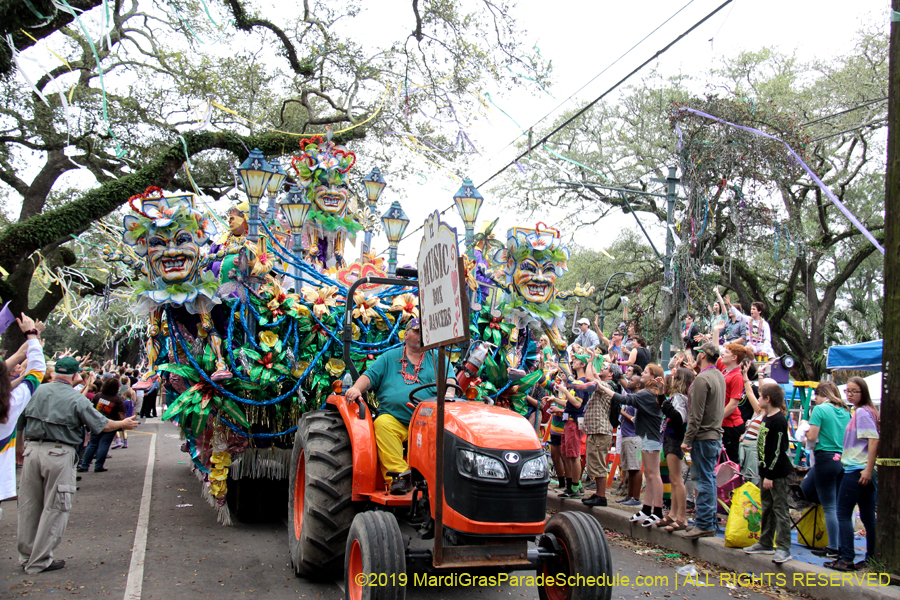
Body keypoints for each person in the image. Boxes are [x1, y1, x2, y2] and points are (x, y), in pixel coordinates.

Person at [18, 356, 137, 574]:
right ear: (75, 376)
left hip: (32, 450)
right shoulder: (76, 398)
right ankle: (39, 560)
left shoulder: (38, 391)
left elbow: (20, 420)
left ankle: (26, 555)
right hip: (59, 453)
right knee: (55, 507)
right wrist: (124, 423)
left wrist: (19, 449)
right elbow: (101, 424)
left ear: (54, 374)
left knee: (29, 505)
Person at [344, 318, 454, 495]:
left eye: (424, 332)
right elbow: (369, 376)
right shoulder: (389, 358)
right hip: (395, 419)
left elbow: (450, 380)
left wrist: (449, 394)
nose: (420, 335)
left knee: (446, 430)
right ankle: (401, 477)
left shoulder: (438, 359)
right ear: (405, 334)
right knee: (382, 424)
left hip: (426, 421)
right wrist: (356, 388)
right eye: (416, 331)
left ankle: (435, 482)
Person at [597, 363, 665, 527]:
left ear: (653, 377)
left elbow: (623, 398)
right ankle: (647, 507)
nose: (643, 374)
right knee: (649, 474)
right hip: (647, 435)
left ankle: (658, 510)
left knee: (653, 474)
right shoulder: (650, 393)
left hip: (651, 436)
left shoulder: (648, 394)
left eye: (647, 372)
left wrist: (603, 387)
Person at [825, 377, 879, 572]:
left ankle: (847, 557)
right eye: (847, 391)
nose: (849, 394)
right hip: (862, 468)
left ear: (863, 392)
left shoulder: (863, 413)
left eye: (854, 391)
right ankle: (871, 556)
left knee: (843, 513)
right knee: (866, 516)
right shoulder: (862, 412)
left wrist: (867, 468)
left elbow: (873, 440)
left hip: (857, 468)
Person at [0, 315, 46, 522]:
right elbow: (36, 372)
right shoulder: (10, 406)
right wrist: (32, 337)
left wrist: (32, 337)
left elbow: (15, 358)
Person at [680, 342, 726, 539]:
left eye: (698, 354)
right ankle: (706, 521)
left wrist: (687, 439)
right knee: (709, 478)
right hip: (714, 435)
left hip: (704, 437)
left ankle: (705, 523)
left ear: (702, 356)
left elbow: (695, 415)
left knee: (703, 480)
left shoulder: (702, 380)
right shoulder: (718, 376)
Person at [744, 383, 793, 563]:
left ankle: (783, 547)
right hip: (765, 472)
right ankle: (765, 541)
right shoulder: (766, 417)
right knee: (767, 507)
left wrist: (770, 475)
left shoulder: (779, 420)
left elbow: (778, 449)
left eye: (760, 396)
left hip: (776, 473)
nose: (758, 399)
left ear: (768, 399)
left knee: (780, 508)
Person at [802, 381, 851, 560]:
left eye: (816, 395)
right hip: (842, 458)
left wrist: (804, 436)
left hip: (825, 457)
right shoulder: (846, 411)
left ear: (822, 394)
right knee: (838, 505)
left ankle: (832, 547)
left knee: (829, 505)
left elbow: (813, 437)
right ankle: (841, 545)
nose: (815, 399)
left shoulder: (820, 410)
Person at [551, 353, 595, 499]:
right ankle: (573, 485)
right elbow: (570, 403)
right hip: (568, 421)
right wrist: (555, 399)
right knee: (566, 454)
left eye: (576, 360)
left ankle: (575, 486)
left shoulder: (581, 383)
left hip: (574, 422)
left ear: (582, 365)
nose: (573, 361)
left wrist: (564, 391)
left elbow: (577, 404)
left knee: (573, 455)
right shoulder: (575, 382)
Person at [659, 367, 693, 532]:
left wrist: (667, 406)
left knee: (677, 479)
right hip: (670, 438)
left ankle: (681, 517)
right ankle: (673, 514)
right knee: (674, 479)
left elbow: (680, 418)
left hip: (675, 438)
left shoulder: (680, 398)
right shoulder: (677, 397)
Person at [581, 350, 616, 507]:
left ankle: (601, 495)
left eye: (606, 367)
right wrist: (592, 361)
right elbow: (594, 375)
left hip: (600, 431)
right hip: (596, 430)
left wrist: (590, 361)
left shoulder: (607, 386)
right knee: (594, 463)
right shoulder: (602, 384)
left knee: (599, 464)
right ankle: (598, 494)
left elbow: (589, 378)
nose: (602, 367)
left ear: (611, 375)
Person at [78, 378, 126, 472]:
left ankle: (85, 465)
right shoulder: (117, 399)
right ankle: (98, 465)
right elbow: (121, 413)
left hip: (96, 422)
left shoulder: (98, 396)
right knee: (104, 444)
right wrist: (122, 424)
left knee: (92, 444)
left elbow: (91, 408)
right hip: (111, 424)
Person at [718, 343, 751, 463]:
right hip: (722, 422)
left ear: (734, 358)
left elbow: (733, 404)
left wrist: (717, 418)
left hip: (731, 425)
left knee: (731, 461)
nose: (723, 354)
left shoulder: (737, 376)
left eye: (726, 352)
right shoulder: (724, 370)